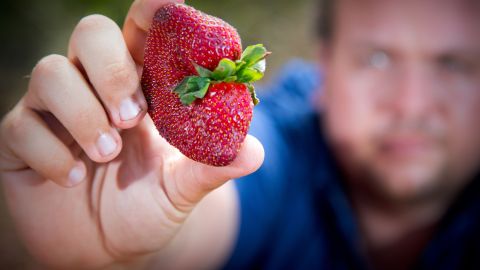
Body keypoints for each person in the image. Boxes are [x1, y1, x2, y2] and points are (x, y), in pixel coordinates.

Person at [1, 0, 479, 269]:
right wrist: (139, 247)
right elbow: (219, 194)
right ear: (324, 68)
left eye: (454, 63)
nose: (412, 103)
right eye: (376, 58)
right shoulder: (284, 146)